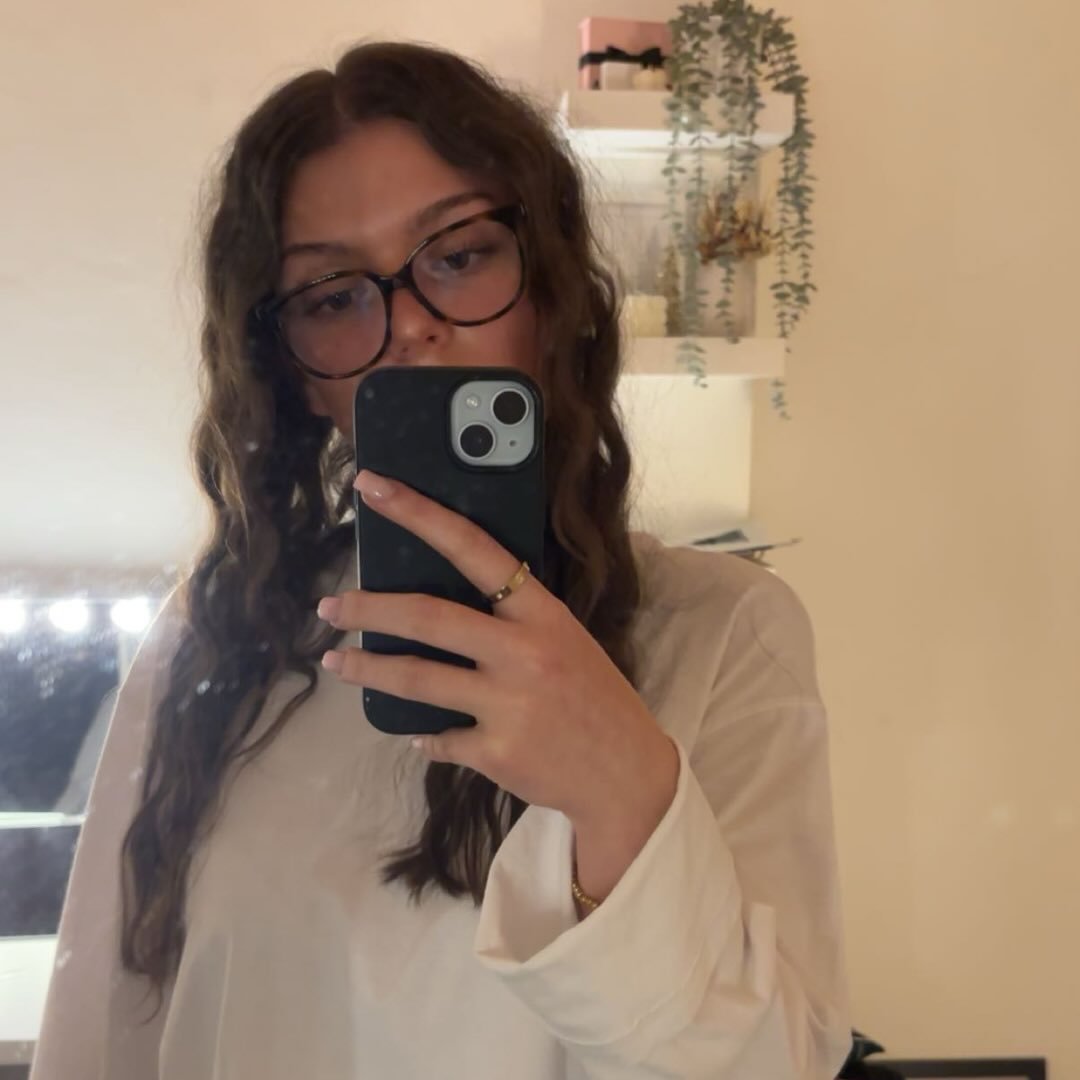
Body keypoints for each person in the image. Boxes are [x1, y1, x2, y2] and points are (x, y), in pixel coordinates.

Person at [30, 41, 851, 1080]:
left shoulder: (720, 632)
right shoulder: (221, 637)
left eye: (459, 255)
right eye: (332, 296)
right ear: (298, 376)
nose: (411, 326)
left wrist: (623, 796)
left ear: (548, 288)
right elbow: (104, 1033)